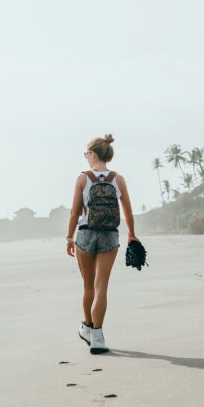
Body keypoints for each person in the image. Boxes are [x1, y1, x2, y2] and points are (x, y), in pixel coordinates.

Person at [66, 133, 139, 354]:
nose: (86, 157)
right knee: (102, 287)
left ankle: (87, 327)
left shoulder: (82, 178)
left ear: (94, 154)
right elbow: (127, 210)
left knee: (88, 286)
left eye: (87, 153)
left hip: (86, 234)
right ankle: (97, 337)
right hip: (110, 235)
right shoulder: (118, 179)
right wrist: (132, 234)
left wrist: (69, 238)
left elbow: (74, 211)